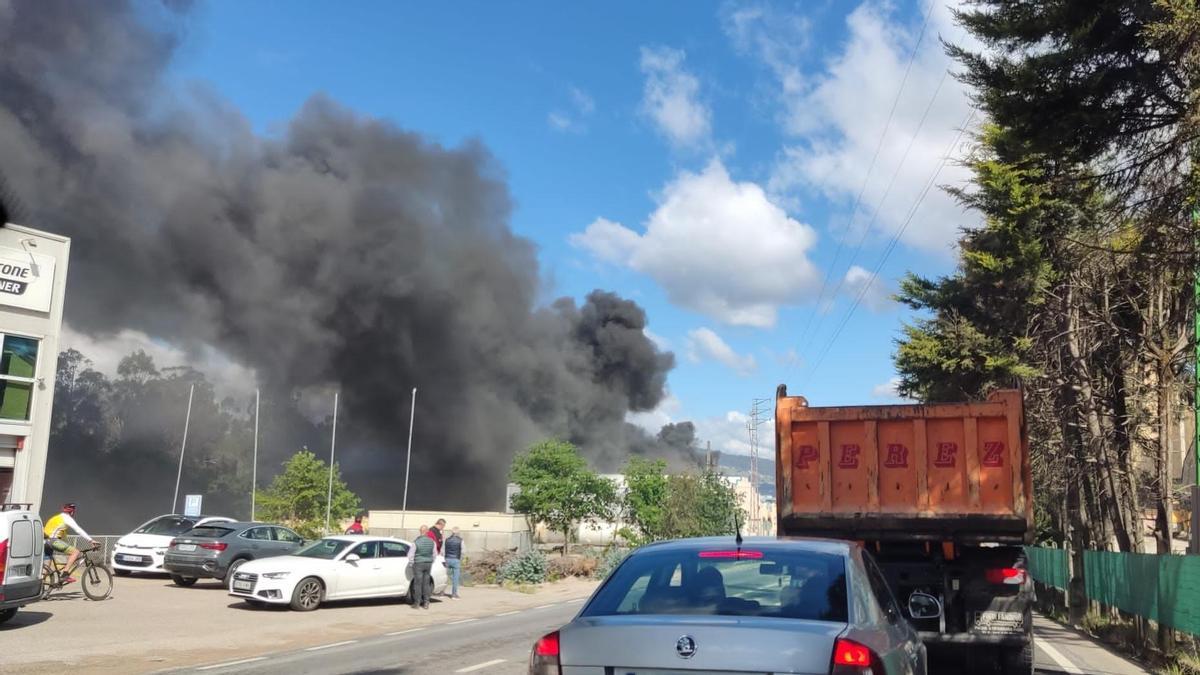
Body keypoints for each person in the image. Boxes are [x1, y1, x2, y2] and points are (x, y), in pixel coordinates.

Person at [44, 502, 96, 581]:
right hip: (53, 541)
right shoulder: (67, 518)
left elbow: (63, 536)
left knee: (47, 568)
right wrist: (91, 540)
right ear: (72, 512)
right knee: (75, 552)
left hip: (45, 542)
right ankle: (65, 574)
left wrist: (67, 546)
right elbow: (78, 530)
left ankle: (41, 586)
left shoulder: (56, 518)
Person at [411, 526, 435, 610]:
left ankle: (417, 603)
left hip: (418, 563)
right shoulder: (432, 542)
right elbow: (434, 554)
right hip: (428, 564)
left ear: (420, 531)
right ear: (427, 531)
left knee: (418, 584)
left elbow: (410, 555)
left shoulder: (416, 542)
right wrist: (431, 561)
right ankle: (426, 603)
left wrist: (411, 563)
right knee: (426, 583)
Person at [443, 526, 463, 599]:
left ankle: (442, 592)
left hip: (447, 559)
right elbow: (463, 551)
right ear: (458, 532)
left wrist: (444, 558)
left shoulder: (447, 540)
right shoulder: (461, 540)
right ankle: (454, 594)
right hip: (456, 559)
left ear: (452, 532)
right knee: (455, 578)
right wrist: (460, 559)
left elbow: (443, 550)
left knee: (445, 576)